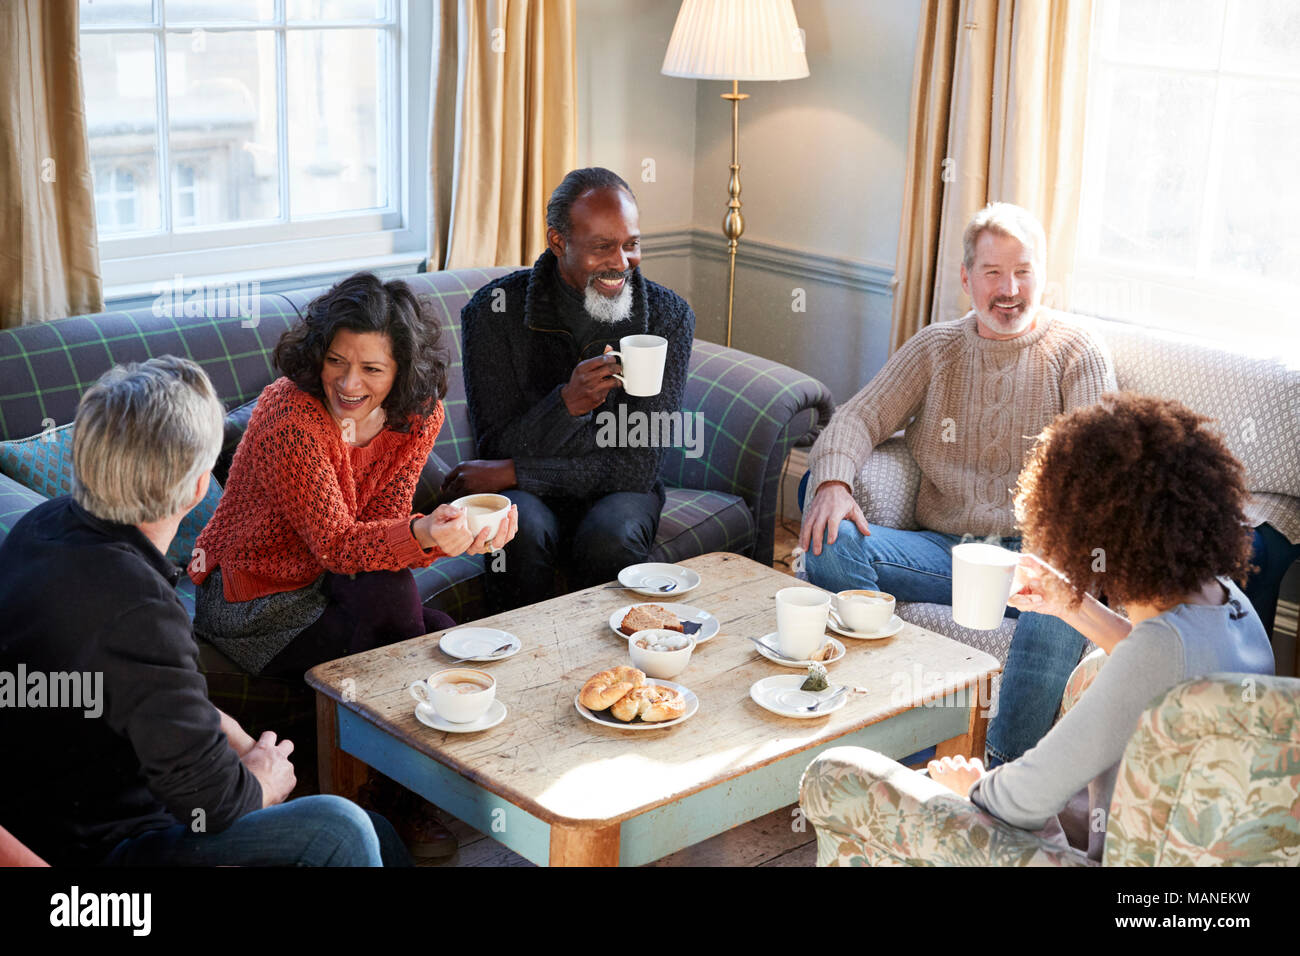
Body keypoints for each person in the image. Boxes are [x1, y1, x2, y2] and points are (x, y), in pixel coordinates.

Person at [0, 357, 408, 866]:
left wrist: (233, 739)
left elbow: (141, 689)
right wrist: (264, 777)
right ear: (198, 490)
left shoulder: (40, 528)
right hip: (107, 853)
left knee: (378, 833)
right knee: (341, 829)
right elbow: (213, 804)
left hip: (52, 811)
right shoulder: (140, 611)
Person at [191, 271, 518, 858]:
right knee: (422, 638)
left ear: (402, 371)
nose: (348, 382)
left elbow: (381, 529)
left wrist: (459, 537)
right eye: (337, 361)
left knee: (431, 636)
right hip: (254, 598)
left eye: (372, 369)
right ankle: (397, 797)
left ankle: (411, 787)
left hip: (331, 582)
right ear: (318, 354)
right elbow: (341, 544)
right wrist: (427, 535)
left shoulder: (418, 416)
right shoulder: (290, 416)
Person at [800, 202, 1116, 766]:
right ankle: (874, 724)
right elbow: (857, 418)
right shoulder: (937, 347)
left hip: (1036, 558)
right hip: (945, 553)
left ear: (1043, 275)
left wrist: (1051, 557)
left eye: (1023, 271)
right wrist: (832, 483)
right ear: (966, 279)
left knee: (1064, 598)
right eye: (993, 272)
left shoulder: (1076, 352)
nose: (1010, 288)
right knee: (831, 534)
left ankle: (992, 782)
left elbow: (1099, 474)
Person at [924, 392, 1275, 862]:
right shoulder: (1230, 602)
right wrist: (1070, 604)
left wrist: (969, 788)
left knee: (887, 786)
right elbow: (1166, 662)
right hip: (1194, 844)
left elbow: (1021, 801)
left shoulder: (1156, 652)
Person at [449, 167, 695, 611]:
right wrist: (566, 405)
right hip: (530, 498)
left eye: (631, 244)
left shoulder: (667, 316)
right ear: (558, 241)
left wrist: (517, 471)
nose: (621, 262)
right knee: (518, 531)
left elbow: (639, 466)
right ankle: (521, 665)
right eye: (603, 246)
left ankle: (607, 670)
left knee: (612, 535)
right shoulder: (492, 312)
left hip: (618, 493)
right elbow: (496, 445)